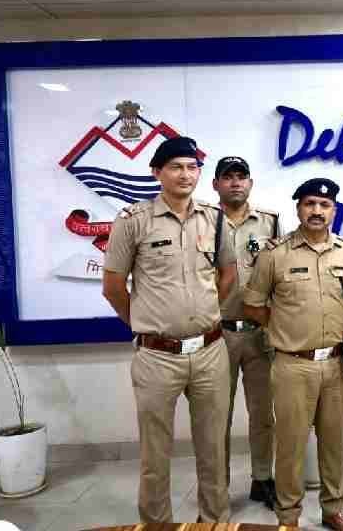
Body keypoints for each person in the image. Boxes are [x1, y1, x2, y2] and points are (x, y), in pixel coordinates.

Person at [102, 136, 236, 523]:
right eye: (176, 167)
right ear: (157, 172)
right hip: (157, 357)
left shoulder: (214, 218)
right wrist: (145, 324)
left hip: (210, 352)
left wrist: (203, 312)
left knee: (213, 449)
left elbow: (228, 274)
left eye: (192, 167)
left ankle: (214, 522)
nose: (185, 174)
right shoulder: (133, 221)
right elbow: (113, 287)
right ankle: (156, 525)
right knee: (155, 454)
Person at [244, 178, 343, 531]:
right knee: (291, 445)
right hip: (293, 365)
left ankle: (335, 509)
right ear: (299, 208)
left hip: (337, 364)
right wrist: (284, 328)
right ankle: (288, 516)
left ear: (334, 210)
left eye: (324, 205)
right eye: (309, 204)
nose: (317, 211)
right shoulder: (275, 254)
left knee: (334, 441)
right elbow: (253, 305)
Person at [212, 156, 281, 508]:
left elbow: (280, 272)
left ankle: (262, 479)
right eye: (228, 177)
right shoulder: (205, 222)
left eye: (241, 176)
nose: (235, 182)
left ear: (250, 183)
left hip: (259, 333)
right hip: (218, 333)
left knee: (262, 413)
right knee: (216, 416)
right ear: (216, 185)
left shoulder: (269, 222)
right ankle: (217, 487)